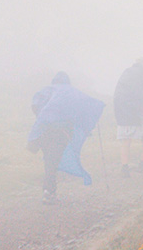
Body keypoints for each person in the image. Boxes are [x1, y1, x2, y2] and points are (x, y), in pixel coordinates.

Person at [28, 72, 105, 204]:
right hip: (61, 132)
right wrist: (99, 106)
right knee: (53, 161)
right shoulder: (72, 92)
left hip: (42, 130)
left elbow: (35, 104)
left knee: (49, 160)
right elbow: (85, 106)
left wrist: (42, 117)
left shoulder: (47, 89)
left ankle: (49, 191)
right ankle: (49, 192)